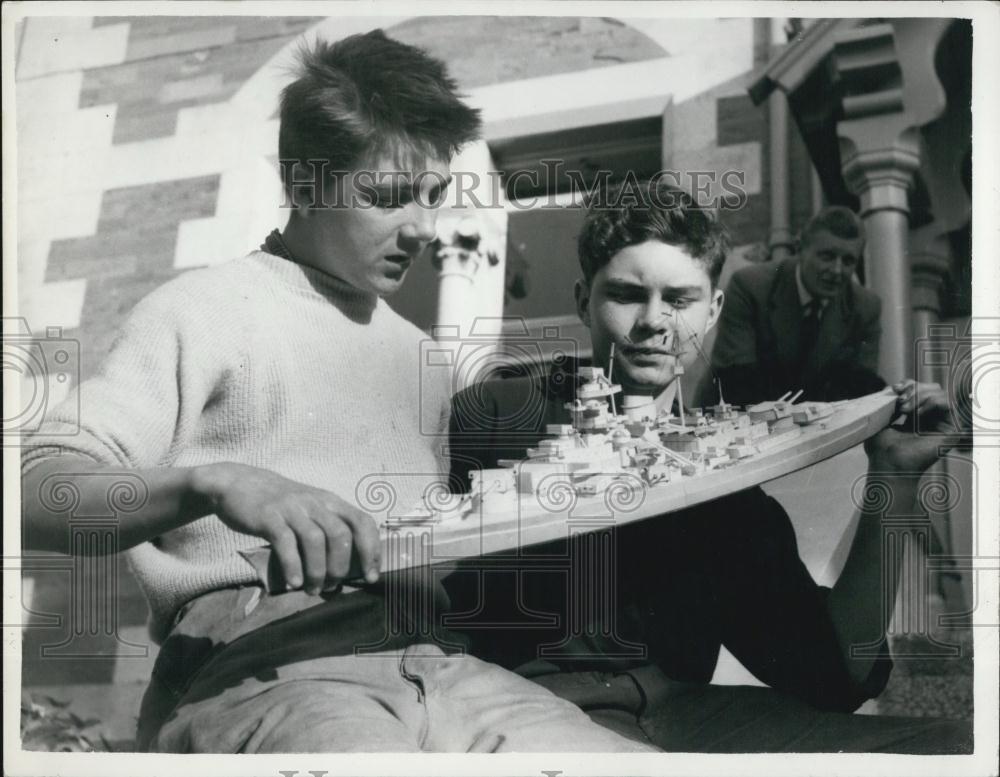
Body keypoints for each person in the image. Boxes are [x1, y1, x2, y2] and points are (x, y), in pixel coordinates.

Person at [20, 31, 656, 754]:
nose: (423, 228)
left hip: (444, 665)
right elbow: (37, 492)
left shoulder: (420, 356)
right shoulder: (202, 308)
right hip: (267, 663)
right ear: (303, 185)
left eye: (434, 196)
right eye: (387, 197)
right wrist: (215, 482)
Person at [445, 180, 972, 752]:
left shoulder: (728, 481)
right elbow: (423, 598)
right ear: (582, 301)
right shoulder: (496, 412)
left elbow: (835, 676)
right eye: (625, 294)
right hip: (531, 715)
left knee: (950, 745)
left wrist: (895, 476)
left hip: (686, 719)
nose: (654, 321)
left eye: (679, 300)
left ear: (714, 310)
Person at [711, 206, 884, 406]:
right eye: (827, 256)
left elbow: (861, 387)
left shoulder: (865, 307)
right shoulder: (749, 287)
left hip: (815, 419)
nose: (837, 270)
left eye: (848, 261)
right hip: (735, 413)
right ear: (799, 248)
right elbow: (737, 379)